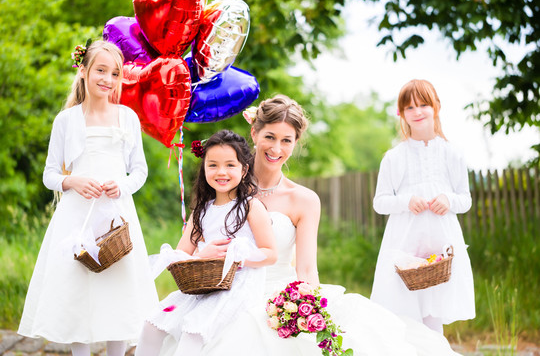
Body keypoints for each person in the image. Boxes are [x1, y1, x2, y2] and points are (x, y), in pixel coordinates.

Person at [199, 94, 462, 355]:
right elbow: (200, 235)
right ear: (254, 133)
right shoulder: (222, 183)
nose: (276, 149)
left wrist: (310, 312)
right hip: (224, 293)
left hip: (277, 296)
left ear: (296, 143)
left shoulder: (303, 200)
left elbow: (306, 267)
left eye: (286, 140)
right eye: (270, 137)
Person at [18, 40, 159, 355]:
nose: (107, 79)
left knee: (118, 291)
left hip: (115, 214)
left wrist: (121, 185)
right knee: (79, 291)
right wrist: (73, 181)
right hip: (76, 218)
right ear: (83, 71)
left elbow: (139, 172)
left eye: (114, 73)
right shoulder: (66, 120)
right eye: (100, 70)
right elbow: (50, 174)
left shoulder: (127, 117)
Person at [135, 130, 277, 356]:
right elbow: (181, 254)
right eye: (213, 165)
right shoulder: (201, 211)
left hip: (238, 285)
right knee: (153, 323)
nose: (221, 172)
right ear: (204, 169)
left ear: (244, 169)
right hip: (204, 284)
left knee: (194, 329)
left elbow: (270, 254)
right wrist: (202, 256)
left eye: (230, 165)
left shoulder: (251, 206)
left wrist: (237, 257)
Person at [371, 79, 475, 333]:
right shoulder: (394, 157)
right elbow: (380, 202)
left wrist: (448, 200)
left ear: (436, 107)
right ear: (402, 113)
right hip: (405, 242)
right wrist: (405, 202)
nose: (417, 112)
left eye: (423, 105)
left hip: (440, 243)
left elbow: (465, 199)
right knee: (405, 313)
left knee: (433, 311)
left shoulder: (452, 153)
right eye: (409, 107)